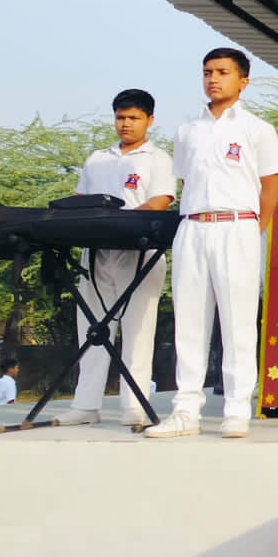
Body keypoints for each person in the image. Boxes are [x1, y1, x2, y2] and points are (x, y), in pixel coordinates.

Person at [145, 49, 278, 439]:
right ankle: (185, 410)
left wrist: (253, 231)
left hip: (237, 226)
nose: (213, 79)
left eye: (223, 72)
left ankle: (237, 409)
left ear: (243, 81)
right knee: (189, 322)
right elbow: (186, 181)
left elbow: (271, 188)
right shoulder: (188, 130)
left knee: (238, 323)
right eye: (207, 72)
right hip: (193, 226)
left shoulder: (258, 129)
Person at [53, 89, 176, 427]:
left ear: (149, 120)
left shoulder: (158, 159)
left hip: (138, 250)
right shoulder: (97, 158)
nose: (126, 124)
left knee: (137, 331)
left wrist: (120, 226)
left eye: (134, 118)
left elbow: (160, 201)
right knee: (92, 329)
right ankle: (85, 405)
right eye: (121, 117)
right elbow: (80, 201)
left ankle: (134, 406)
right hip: (97, 252)